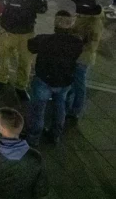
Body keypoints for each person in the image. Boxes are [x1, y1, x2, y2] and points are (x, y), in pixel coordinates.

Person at [25, 10, 84, 147]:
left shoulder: (44, 40)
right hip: (64, 81)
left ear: (55, 25)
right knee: (60, 106)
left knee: (38, 110)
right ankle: (55, 135)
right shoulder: (77, 43)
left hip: (44, 80)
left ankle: (33, 138)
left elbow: (30, 46)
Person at [0, 0, 48, 101]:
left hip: (20, 32)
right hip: (13, 31)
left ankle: (17, 85)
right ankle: (5, 81)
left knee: (22, 61)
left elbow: (43, 8)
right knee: (7, 59)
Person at [66, 0, 103, 121]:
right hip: (74, 56)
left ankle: (75, 110)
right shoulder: (83, 17)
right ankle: (67, 101)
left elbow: (91, 45)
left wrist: (76, 40)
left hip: (81, 59)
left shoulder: (94, 24)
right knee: (72, 81)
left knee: (79, 85)